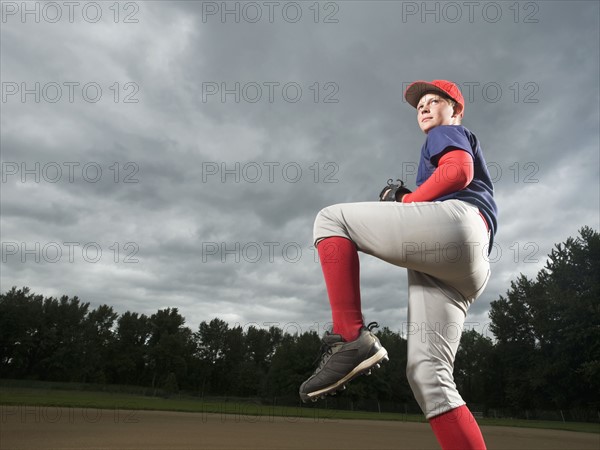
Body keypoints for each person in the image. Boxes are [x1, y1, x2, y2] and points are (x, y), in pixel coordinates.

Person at [299, 80, 497, 450]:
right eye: (419, 104)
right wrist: (409, 197)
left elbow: (457, 173)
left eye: (435, 100)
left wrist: (404, 203)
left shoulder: (445, 132)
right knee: (430, 379)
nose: (424, 107)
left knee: (330, 220)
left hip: (459, 226)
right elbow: (448, 182)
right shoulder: (446, 135)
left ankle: (350, 337)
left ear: (455, 110)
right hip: (467, 266)